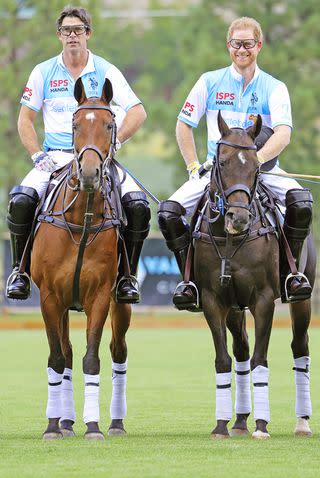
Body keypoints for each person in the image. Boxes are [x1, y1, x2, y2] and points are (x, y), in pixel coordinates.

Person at [157, 16, 312, 311]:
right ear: (229, 46)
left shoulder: (274, 87)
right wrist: (192, 168)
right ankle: (189, 281)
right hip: (219, 173)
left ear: (259, 46)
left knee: (302, 203)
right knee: (168, 213)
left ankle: (290, 275)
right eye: (237, 44)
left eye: (248, 44)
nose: (242, 50)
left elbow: (283, 133)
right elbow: (183, 125)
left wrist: (257, 160)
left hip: (262, 170)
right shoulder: (210, 81)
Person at [6, 5, 150, 304]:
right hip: (56, 156)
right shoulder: (43, 71)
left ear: (88, 34)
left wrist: (116, 142)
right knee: (21, 200)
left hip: (99, 158)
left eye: (78, 30)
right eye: (67, 31)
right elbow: (24, 120)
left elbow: (138, 111)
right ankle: (19, 271)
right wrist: (36, 155)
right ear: (59, 36)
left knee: (137, 205)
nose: (73, 35)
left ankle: (127, 276)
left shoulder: (106, 70)